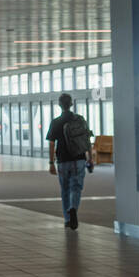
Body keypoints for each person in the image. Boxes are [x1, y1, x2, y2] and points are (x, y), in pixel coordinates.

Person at [47, 93, 92, 230]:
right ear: (71, 104)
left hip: (62, 160)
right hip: (79, 159)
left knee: (65, 189)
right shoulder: (79, 119)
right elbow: (86, 140)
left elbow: (51, 144)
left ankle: (67, 219)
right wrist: (90, 158)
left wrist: (51, 163)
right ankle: (73, 208)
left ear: (60, 105)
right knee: (76, 188)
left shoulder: (56, 122)